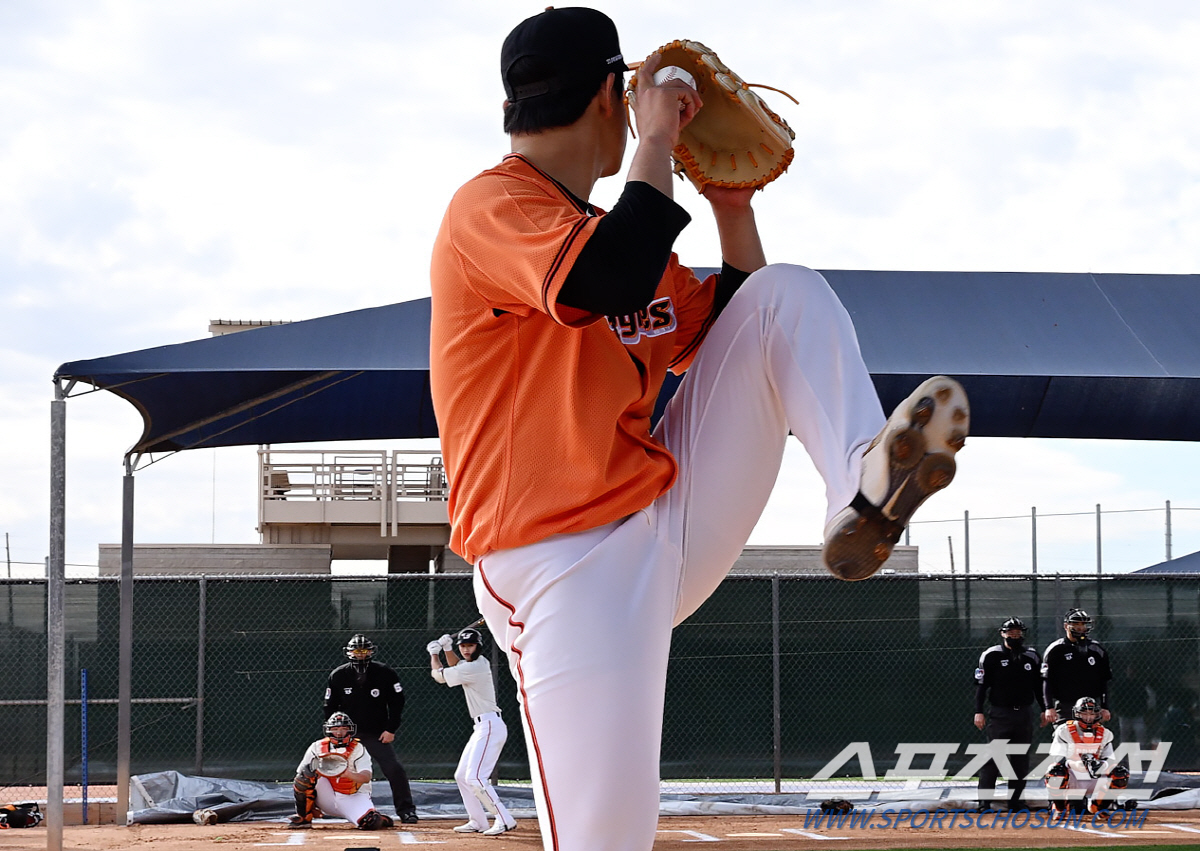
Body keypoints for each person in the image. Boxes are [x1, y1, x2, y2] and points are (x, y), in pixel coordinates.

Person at [428, 8, 969, 850]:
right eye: (633, 97)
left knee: (785, 291)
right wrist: (654, 139)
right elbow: (597, 281)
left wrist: (730, 205)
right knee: (609, 841)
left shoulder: (618, 236)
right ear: (613, 95)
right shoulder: (492, 204)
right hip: (558, 566)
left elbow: (741, 327)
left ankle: (861, 484)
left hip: (665, 516)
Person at [427, 627, 517, 836]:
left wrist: (434, 653)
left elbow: (439, 676)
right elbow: (456, 665)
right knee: (461, 776)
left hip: (490, 726)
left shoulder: (476, 666)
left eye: (470, 645)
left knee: (476, 778)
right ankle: (478, 821)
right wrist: (448, 648)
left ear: (478, 647)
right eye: (463, 646)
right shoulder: (471, 665)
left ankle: (505, 819)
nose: (466, 650)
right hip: (481, 727)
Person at [324, 634, 418, 823]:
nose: (360, 655)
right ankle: (324, 809)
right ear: (348, 652)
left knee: (394, 769)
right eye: (357, 651)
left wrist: (391, 729)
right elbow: (329, 708)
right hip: (347, 736)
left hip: (377, 734)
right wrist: (336, 734)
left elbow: (397, 703)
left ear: (371, 651)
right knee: (330, 769)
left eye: (364, 651)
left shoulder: (385, 673)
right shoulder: (338, 675)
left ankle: (406, 810)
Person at [972, 616, 1046, 811]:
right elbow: (981, 687)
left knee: (1020, 760)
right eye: (1011, 632)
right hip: (1000, 714)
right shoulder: (991, 655)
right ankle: (984, 802)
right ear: (1003, 634)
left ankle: (1016, 802)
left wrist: (1045, 709)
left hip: (1024, 714)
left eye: (1018, 632)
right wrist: (978, 712)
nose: (1015, 635)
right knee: (994, 758)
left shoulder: (1032, 656)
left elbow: (1039, 687)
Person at [288, 712, 394, 830]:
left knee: (371, 823)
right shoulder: (317, 747)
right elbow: (301, 774)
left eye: (344, 729)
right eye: (335, 729)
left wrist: (346, 773)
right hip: (326, 795)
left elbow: (366, 777)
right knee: (305, 774)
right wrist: (310, 807)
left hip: (353, 795)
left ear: (350, 730)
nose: (339, 732)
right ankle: (304, 817)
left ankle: (380, 818)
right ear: (328, 730)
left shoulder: (359, 748)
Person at [1043, 696, 1129, 816]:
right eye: (1084, 713)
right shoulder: (1064, 730)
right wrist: (1075, 764)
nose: (1088, 717)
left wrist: (1100, 766)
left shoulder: (1105, 733)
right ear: (1077, 713)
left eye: (1092, 713)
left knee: (1121, 774)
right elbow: (1057, 757)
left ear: (1097, 714)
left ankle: (1099, 806)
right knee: (1055, 772)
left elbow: (1110, 759)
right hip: (1072, 775)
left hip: (1095, 775)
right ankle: (1059, 808)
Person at [1042, 609, 1113, 725]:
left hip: (1091, 707)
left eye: (1083, 624)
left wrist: (1105, 707)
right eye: (1076, 624)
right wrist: (1048, 707)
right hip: (1065, 706)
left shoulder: (1096, 649)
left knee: (1091, 741)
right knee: (1066, 739)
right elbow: (1047, 680)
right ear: (1066, 626)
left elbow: (1104, 681)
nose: (1080, 628)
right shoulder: (1056, 649)